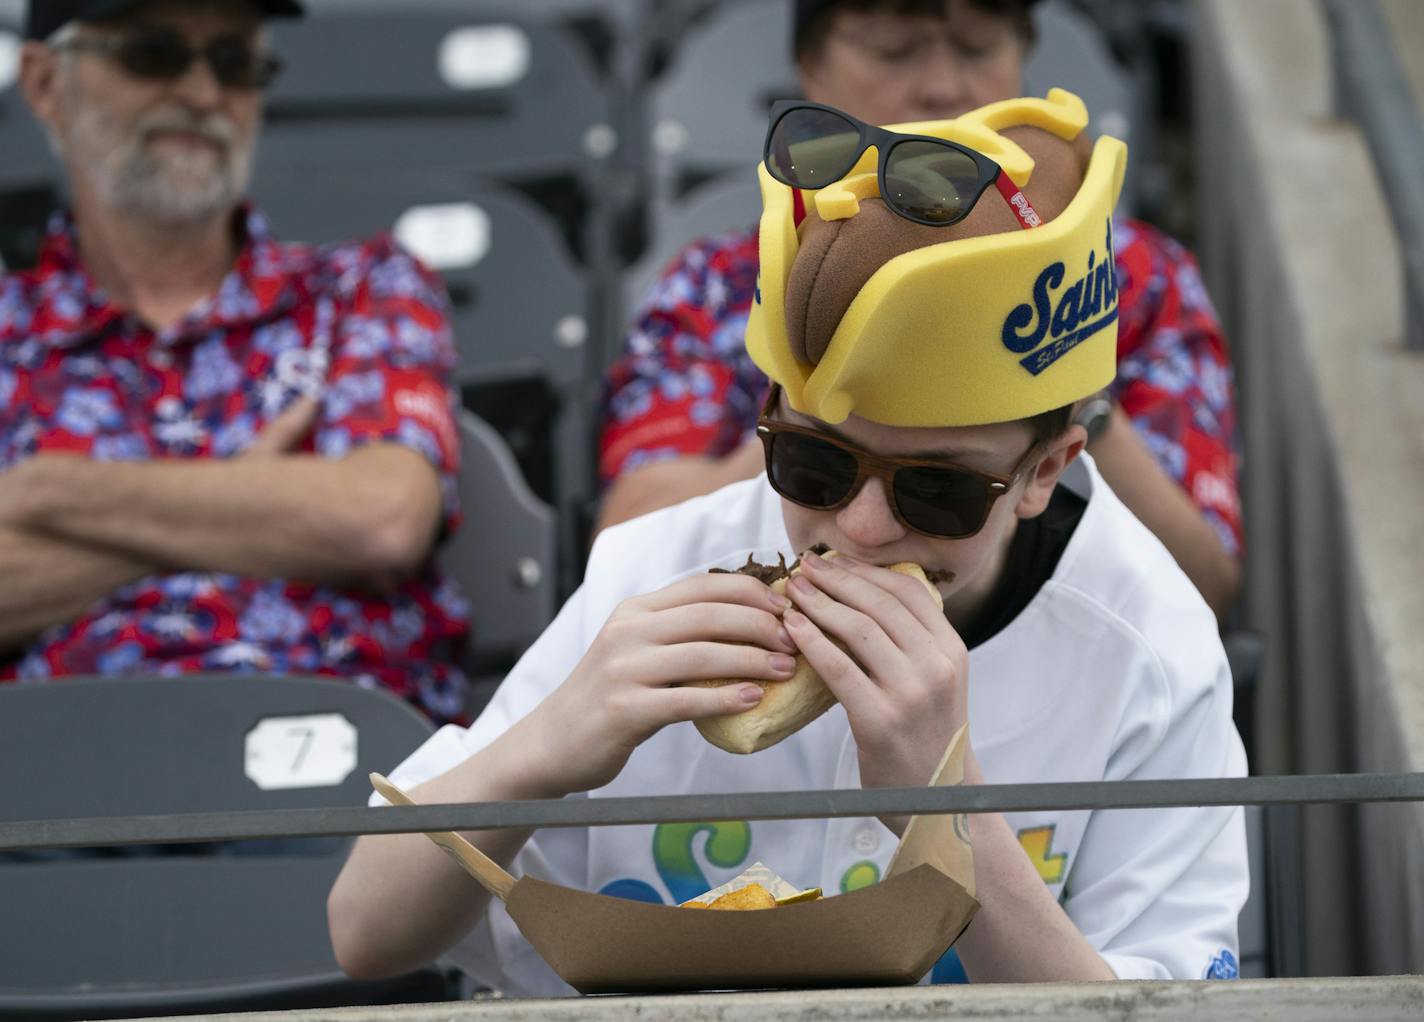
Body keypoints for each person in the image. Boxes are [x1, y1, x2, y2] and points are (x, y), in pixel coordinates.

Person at [328, 90, 1248, 995]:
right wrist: (545, 745)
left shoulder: (1149, 649)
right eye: (813, 464)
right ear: (766, 416)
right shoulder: (658, 568)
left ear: (1047, 471)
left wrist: (945, 807)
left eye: (939, 489)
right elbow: (365, 934)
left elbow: (1161, 992)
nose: (860, 528)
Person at [599, 0, 1243, 619]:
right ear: (811, 68)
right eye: (893, 49)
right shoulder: (719, 281)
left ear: (1024, 57)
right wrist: (825, 406)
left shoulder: (1134, 275)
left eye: (978, 46)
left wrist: (1059, 376)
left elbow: (1204, 586)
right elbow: (626, 561)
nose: (943, 86)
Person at [0, 0, 469, 725]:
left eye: (234, 62)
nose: (201, 93)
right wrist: (254, 500)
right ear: (42, 83)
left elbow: (380, 518)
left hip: (342, 784)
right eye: (151, 53)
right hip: (48, 798)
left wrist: (47, 490)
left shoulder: (363, 288)